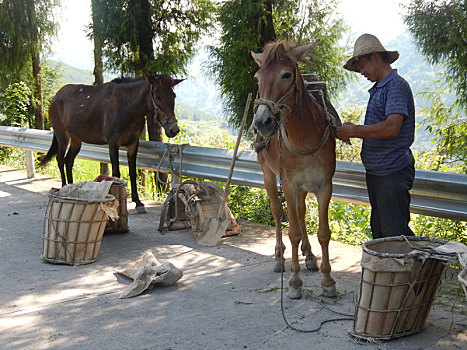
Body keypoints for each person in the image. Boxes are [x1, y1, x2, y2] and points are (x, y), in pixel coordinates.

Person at [336, 33, 415, 239]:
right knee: (382, 231)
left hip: (392, 171)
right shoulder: (381, 88)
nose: (361, 72)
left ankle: (413, 270)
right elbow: (380, 126)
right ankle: (397, 270)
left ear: (377, 58)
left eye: (362, 66)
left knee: (394, 234)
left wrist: (353, 130)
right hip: (380, 173)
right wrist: (355, 128)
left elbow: (391, 128)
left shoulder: (395, 86)